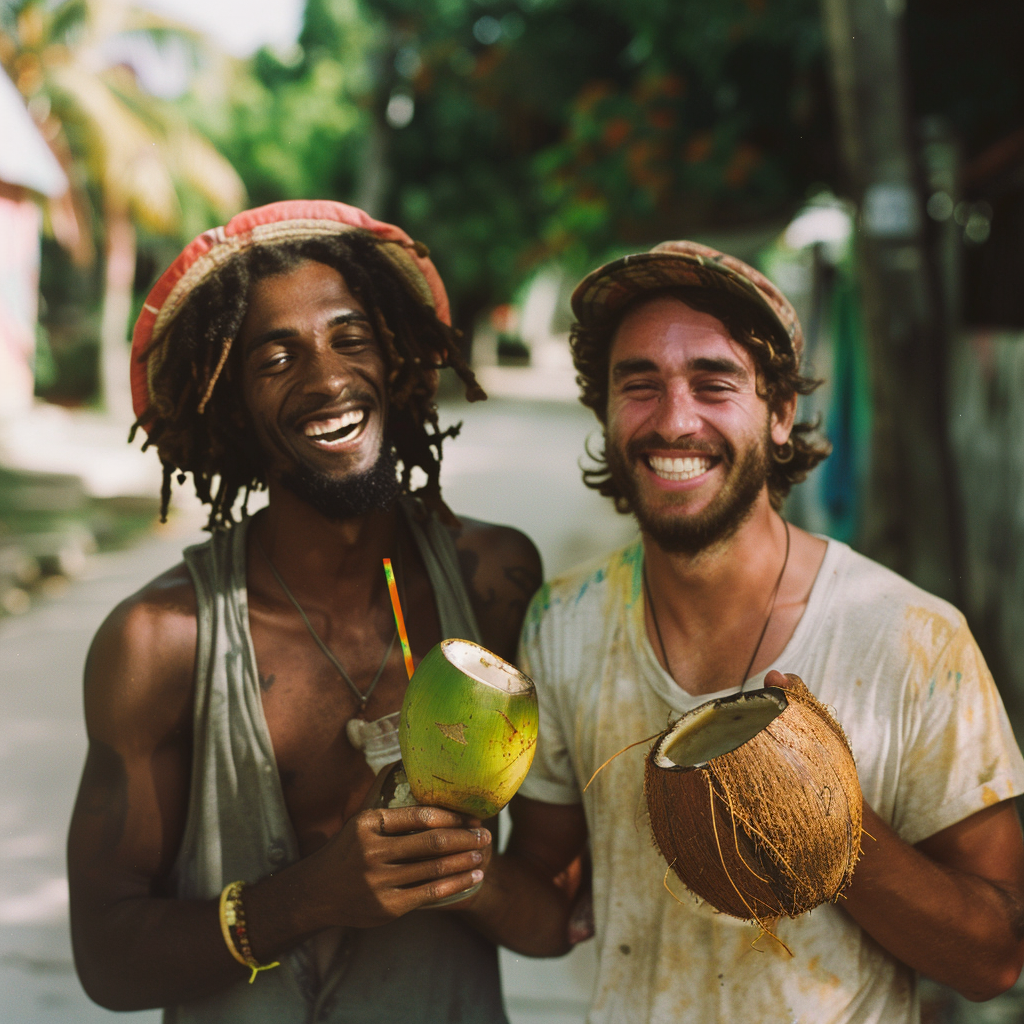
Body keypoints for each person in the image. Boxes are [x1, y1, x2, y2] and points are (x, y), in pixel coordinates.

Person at [463, 241, 1024, 1022]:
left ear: (782, 413)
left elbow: (994, 958)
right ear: (606, 412)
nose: (674, 419)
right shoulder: (565, 623)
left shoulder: (911, 638)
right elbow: (553, 903)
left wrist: (836, 832)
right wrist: (462, 874)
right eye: (640, 385)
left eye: (714, 382)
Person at [66, 200, 541, 1023]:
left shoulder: (493, 582)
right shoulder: (161, 643)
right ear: (232, 406)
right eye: (275, 359)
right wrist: (306, 900)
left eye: (350, 338)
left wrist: (458, 875)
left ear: (393, 363)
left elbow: (558, 913)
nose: (326, 378)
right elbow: (106, 961)